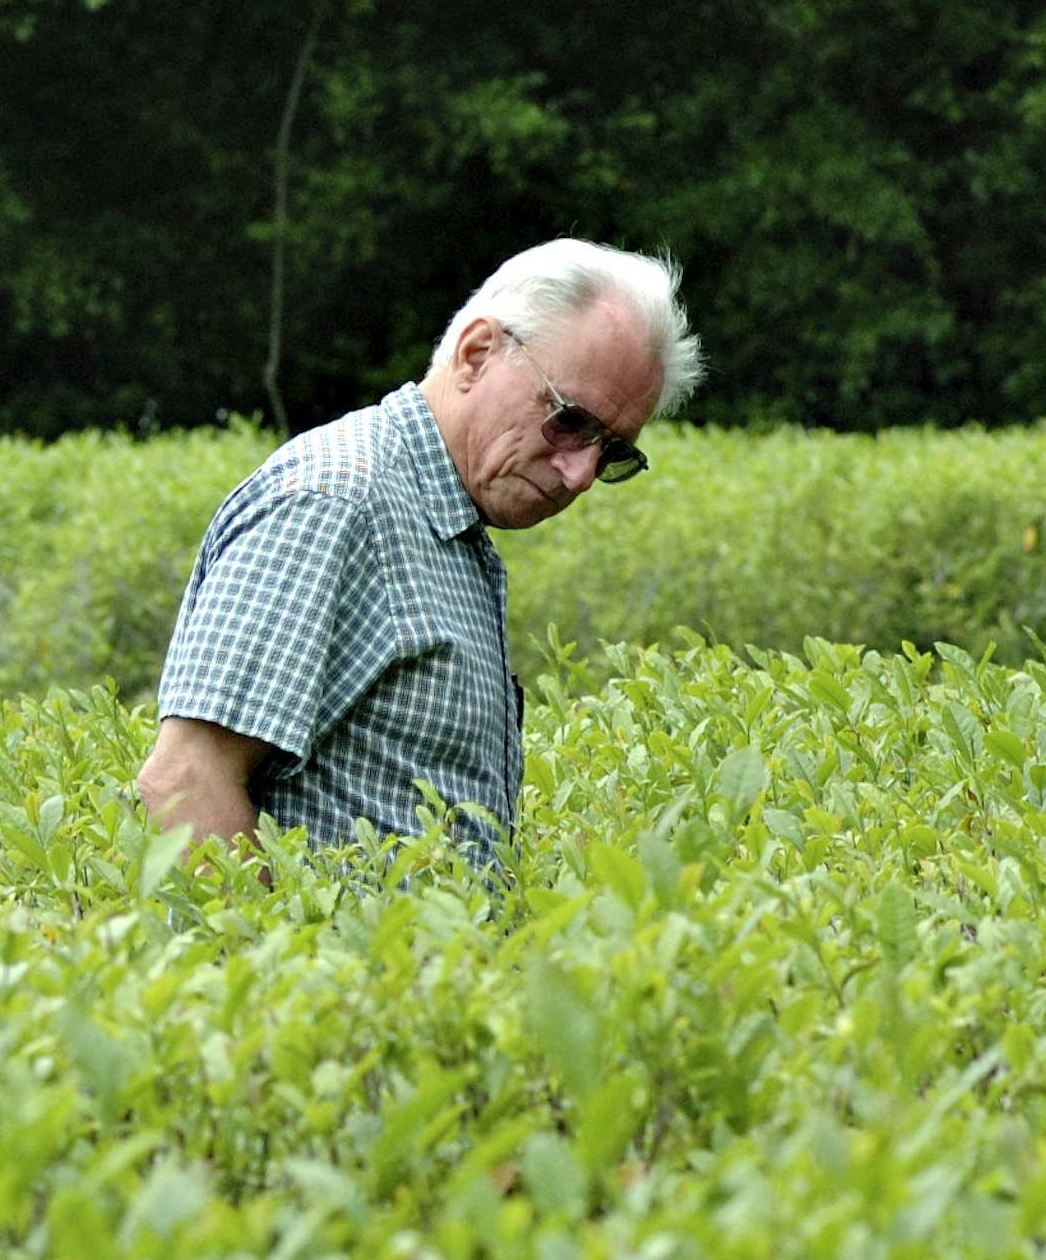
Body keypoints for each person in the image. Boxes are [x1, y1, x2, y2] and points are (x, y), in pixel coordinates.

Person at [134, 239, 703, 866]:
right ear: (476, 353)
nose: (580, 474)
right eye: (569, 422)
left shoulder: (443, 520)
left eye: (613, 451)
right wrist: (275, 960)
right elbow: (185, 782)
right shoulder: (335, 501)